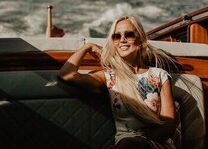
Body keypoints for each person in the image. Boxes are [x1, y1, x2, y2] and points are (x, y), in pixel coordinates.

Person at [59, 16, 179, 149]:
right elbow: (67, 75)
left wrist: (144, 141)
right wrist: (88, 47)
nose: (122, 40)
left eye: (129, 34)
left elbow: (169, 124)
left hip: (156, 143)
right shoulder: (109, 77)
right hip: (124, 144)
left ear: (140, 39)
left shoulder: (159, 75)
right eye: (116, 36)